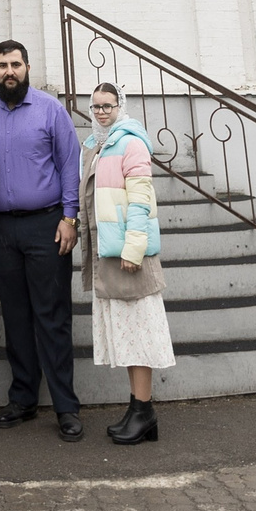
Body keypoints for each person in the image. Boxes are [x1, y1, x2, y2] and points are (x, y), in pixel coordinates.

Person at [0, 39, 83, 441]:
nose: (9, 71)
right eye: (2, 65)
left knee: (52, 317)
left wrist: (70, 218)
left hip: (47, 225)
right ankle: (22, 398)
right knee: (15, 316)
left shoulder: (50, 109)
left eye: (15, 64)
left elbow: (69, 164)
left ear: (27, 66)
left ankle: (66, 406)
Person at [80, 82, 172, 445]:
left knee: (139, 335)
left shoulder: (130, 142)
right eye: (96, 106)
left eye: (108, 105)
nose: (102, 111)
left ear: (121, 107)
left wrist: (135, 248)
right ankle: (138, 409)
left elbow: (141, 197)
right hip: (109, 254)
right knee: (127, 336)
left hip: (129, 256)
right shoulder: (95, 145)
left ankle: (144, 410)